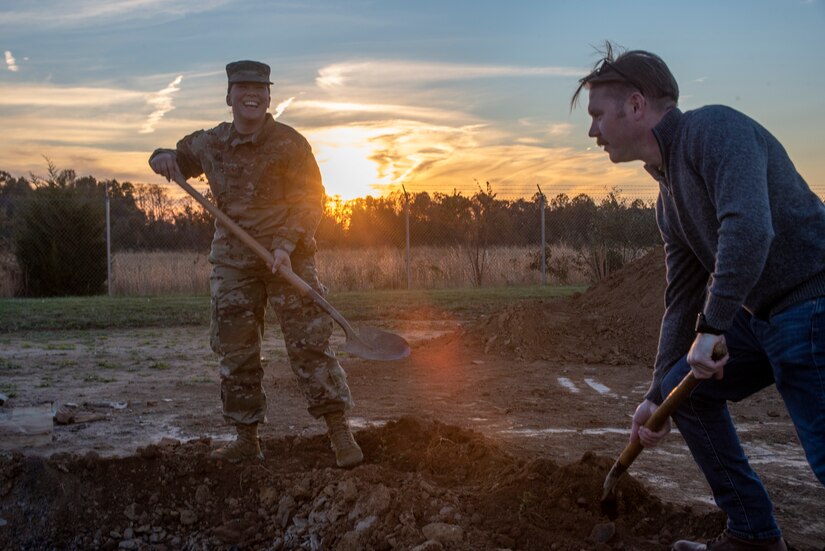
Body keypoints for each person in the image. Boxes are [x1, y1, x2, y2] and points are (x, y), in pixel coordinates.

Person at [572, 43, 825, 550]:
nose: (593, 131)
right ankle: (752, 533)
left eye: (599, 115)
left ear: (637, 106)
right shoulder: (668, 200)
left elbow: (750, 229)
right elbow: (682, 297)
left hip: (812, 303)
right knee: (681, 392)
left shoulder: (714, 131)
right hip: (760, 317)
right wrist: (652, 398)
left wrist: (712, 329)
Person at [148, 60, 363, 468]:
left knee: (309, 345)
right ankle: (247, 438)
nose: (252, 94)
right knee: (236, 350)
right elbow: (176, 157)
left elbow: (310, 200)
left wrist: (283, 246)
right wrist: (159, 156)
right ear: (229, 96)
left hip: (290, 260)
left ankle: (339, 432)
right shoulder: (211, 142)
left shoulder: (290, 144)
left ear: (269, 96)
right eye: (243, 87)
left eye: (261, 88)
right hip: (233, 262)